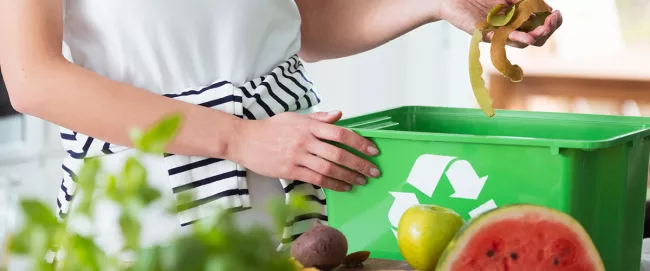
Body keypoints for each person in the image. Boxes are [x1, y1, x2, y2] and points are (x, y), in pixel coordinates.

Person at [0, 0, 562, 257]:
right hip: (146, 212)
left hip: (295, 204)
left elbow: (298, 23)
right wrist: (238, 139)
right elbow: (33, 76)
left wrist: (431, 2)